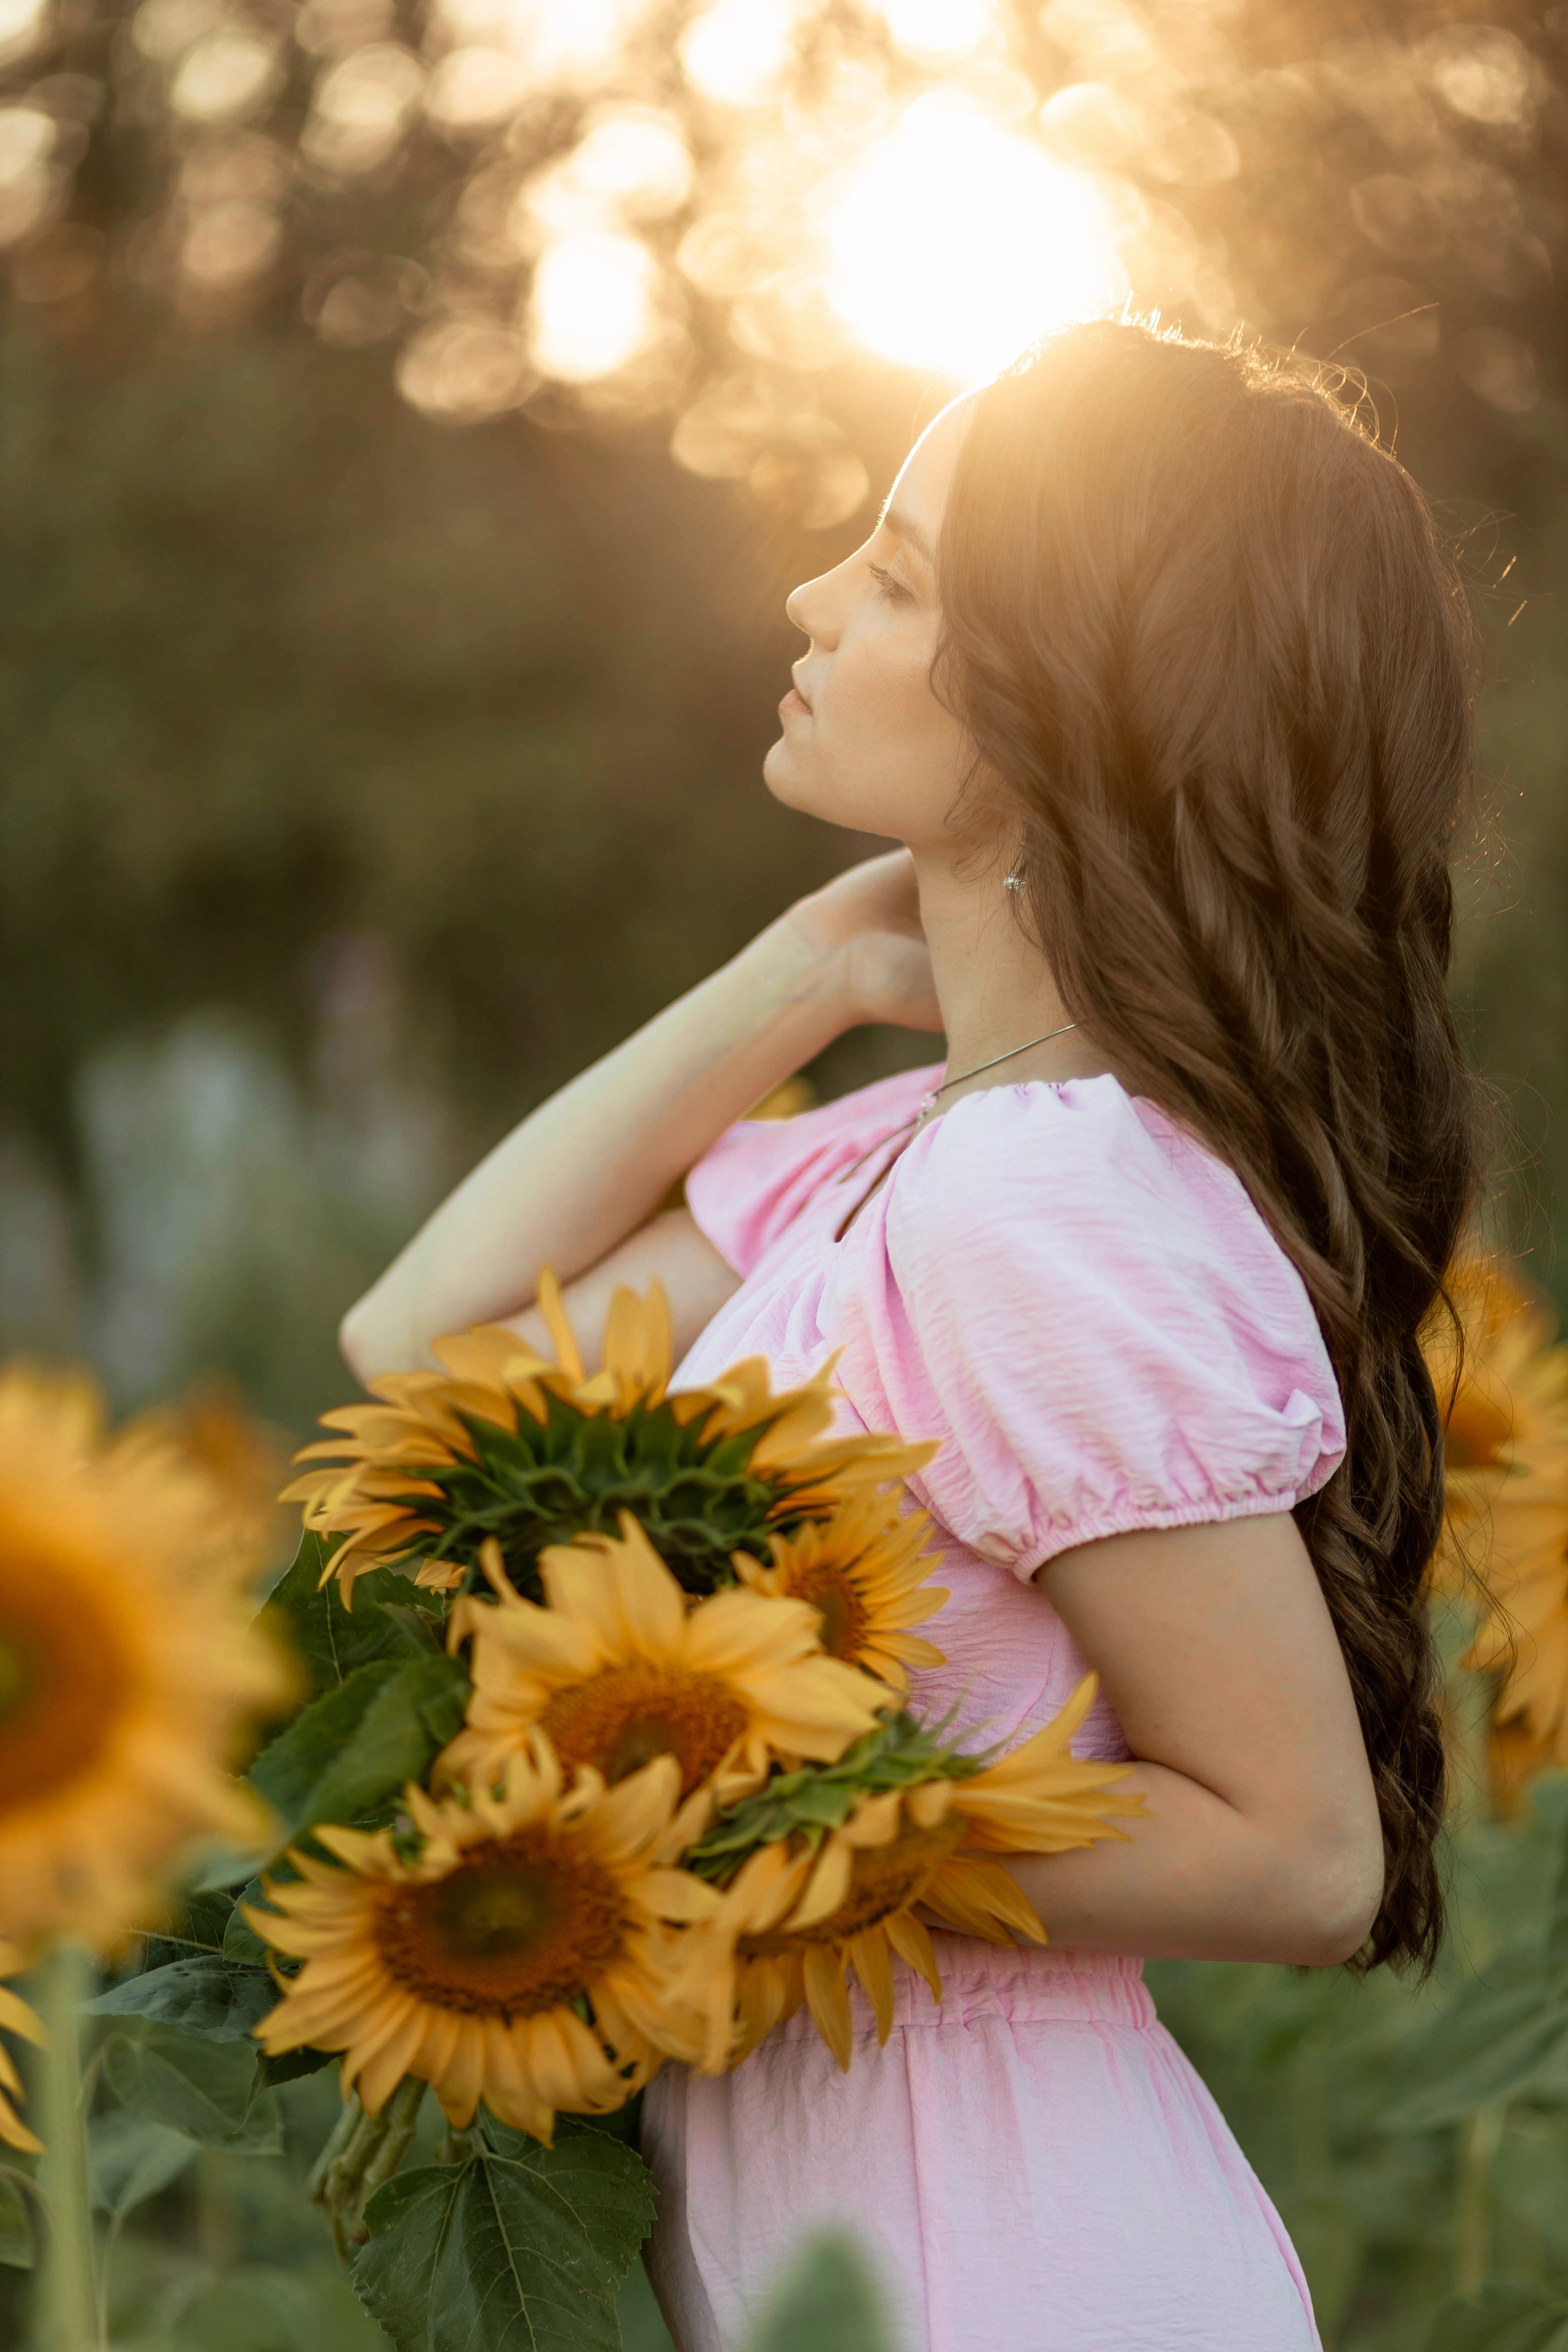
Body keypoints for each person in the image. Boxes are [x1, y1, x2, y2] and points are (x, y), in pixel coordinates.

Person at [341, 318, 1481, 2352]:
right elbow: (429, 1350)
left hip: (996, 2244)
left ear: (1061, 709)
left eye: (891, 577)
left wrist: (736, 1828)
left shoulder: (1041, 1202)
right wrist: (801, 969)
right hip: (835, 2195)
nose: (807, 598)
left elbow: (1302, 1854)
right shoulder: (900, 1163)